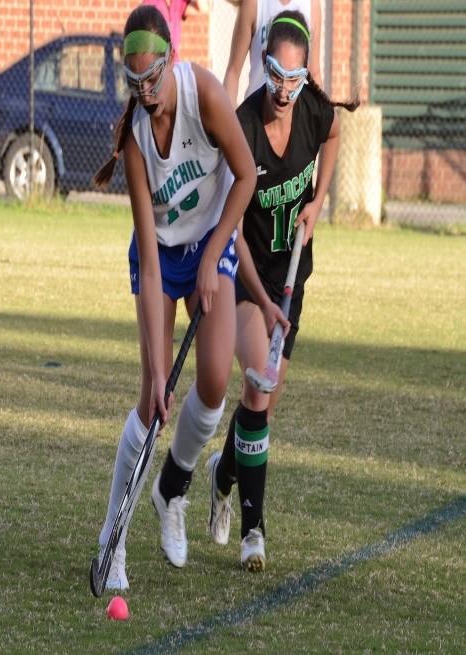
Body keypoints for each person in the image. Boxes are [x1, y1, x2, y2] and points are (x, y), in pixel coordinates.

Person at [92, 4, 258, 590]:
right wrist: (161, 372)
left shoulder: (205, 94)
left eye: (152, 77)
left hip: (210, 241)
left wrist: (215, 255)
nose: (146, 90)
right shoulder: (135, 143)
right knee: (151, 398)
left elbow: (246, 174)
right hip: (161, 257)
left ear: (171, 61)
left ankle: (172, 490)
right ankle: (112, 545)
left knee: (215, 382)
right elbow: (149, 257)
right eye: (134, 82)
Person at [207, 10, 358, 571]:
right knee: (256, 383)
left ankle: (223, 475)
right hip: (249, 276)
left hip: (295, 274)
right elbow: (233, 232)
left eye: (295, 78)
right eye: (275, 75)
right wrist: (263, 299)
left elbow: (338, 132)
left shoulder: (315, 108)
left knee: (261, 408)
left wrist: (318, 201)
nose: (285, 89)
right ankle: (253, 531)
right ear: (263, 64)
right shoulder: (244, 128)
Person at [223, 0, 322, 106]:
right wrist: (228, 116)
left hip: (295, 112)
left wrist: (321, 112)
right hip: (257, 112)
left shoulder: (312, 5)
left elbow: (314, 71)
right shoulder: (254, 4)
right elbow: (233, 71)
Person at [142, 0, 210, 62]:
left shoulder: (177, 2)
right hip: (155, 62)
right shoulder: (150, 2)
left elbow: (204, 8)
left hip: (173, 62)